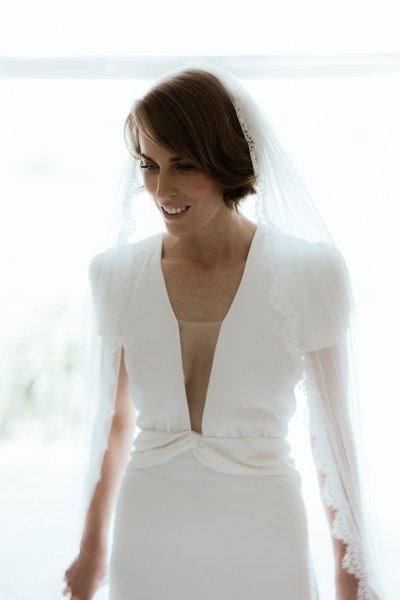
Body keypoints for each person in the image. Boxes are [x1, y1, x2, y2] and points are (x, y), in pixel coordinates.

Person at [63, 64, 383, 600]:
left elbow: (331, 435)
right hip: (149, 532)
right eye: (148, 164)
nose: (161, 188)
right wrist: (93, 550)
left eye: (183, 164)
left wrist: (351, 572)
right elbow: (113, 425)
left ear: (227, 160)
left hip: (264, 534)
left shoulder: (310, 273)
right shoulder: (115, 275)